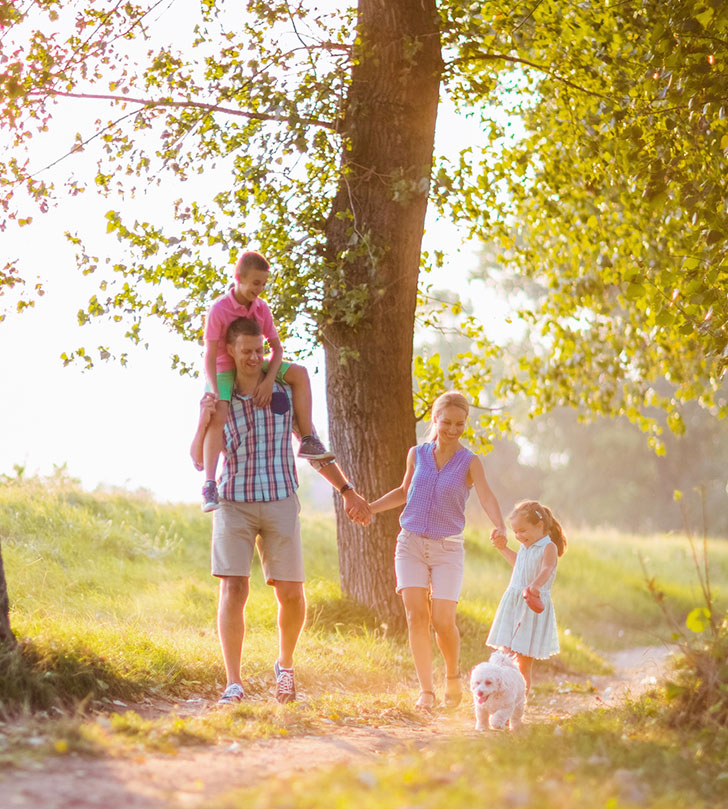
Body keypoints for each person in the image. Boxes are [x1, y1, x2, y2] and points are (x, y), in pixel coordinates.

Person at [209, 317, 370, 705]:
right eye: (246, 350)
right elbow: (199, 454)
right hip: (235, 503)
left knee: (293, 595)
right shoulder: (220, 397)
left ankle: (284, 664)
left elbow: (311, 445)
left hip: (281, 499)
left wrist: (347, 490)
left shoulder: (283, 390)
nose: (253, 357)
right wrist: (202, 422)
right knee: (234, 587)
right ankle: (234, 682)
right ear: (230, 350)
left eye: (260, 349)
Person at [366, 391, 507, 710]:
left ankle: (453, 677)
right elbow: (404, 491)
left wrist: (499, 525)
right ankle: (426, 691)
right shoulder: (417, 454)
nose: (453, 429)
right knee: (416, 615)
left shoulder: (470, 462)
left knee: (443, 620)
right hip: (411, 543)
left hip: (448, 548)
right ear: (436, 419)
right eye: (447, 422)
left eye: (460, 424)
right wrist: (371, 508)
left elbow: (485, 496)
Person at [190, 251, 334, 513]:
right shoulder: (219, 310)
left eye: (264, 284)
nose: (260, 289)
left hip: (256, 361)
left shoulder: (261, 308)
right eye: (256, 283)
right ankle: (210, 484)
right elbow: (210, 354)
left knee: (300, 373)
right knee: (219, 412)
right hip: (224, 367)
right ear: (238, 279)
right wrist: (214, 388)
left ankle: (308, 439)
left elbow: (276, 350)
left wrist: (268, 381)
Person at [487, 499, 567, 689]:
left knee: (522, 663)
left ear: (539, 526)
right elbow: (519, 564)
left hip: (531, 605)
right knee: (505, 655)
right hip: (514, 604)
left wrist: (536, 585)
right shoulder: (526, 546)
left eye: (522, 530)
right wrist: (502, 548)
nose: (518, 536)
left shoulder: (549, 547)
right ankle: (502, 699)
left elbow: (548, 568)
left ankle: (518, 707)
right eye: (515, 532)